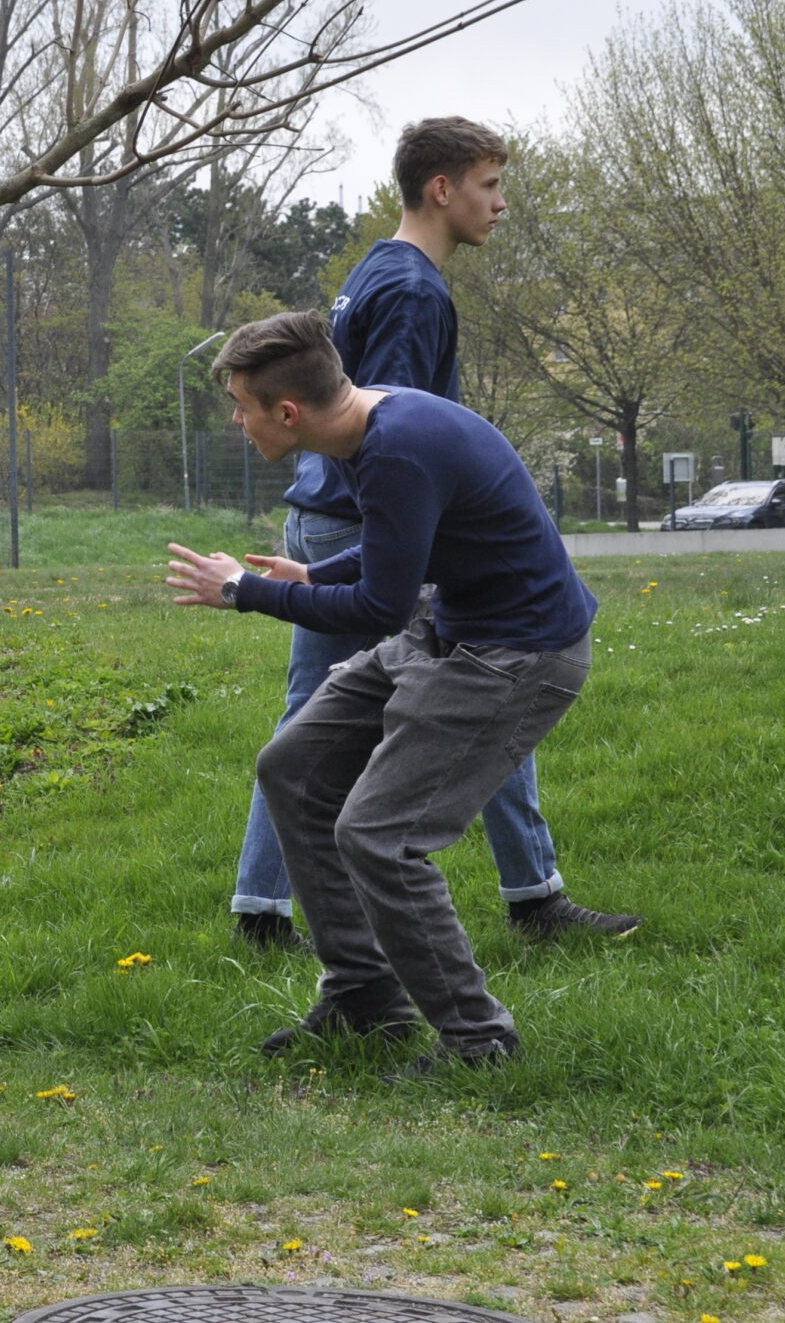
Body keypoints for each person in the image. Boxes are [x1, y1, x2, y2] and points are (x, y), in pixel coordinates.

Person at [230, 117, 638, 950]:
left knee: (392, 698)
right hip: (366, 526)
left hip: (327, 518)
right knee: (478, 674)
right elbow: (389, 438)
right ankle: (526, 900)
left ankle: (267, 908)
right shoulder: (416, 289)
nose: (501, 204)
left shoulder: (375, 268)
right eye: (489, 185)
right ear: (442, 189)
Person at [167, 313, 598, 1071]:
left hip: (516, 654)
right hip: (450, 629)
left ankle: (480, 1040)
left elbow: (378, 609)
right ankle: (365, 997)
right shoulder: (377, 425)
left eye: (242, 407)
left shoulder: (394, 448)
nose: (238, 423)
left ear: (288, 413)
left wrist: (245, 593)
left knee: (380, 835)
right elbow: (405, 540)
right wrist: (316, 574)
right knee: (293, 768)